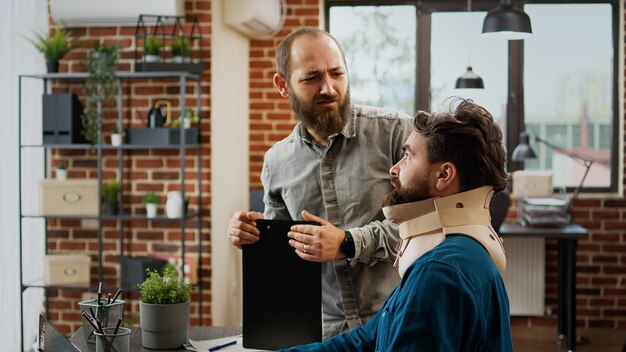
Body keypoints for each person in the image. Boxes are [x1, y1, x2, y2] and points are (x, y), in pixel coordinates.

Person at [281, 98, 513, 351]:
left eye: (408, 157)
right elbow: (365, 341)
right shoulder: (460, 255)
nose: (394, 169)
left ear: (444, 175)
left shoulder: (438, 272)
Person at [227, 27, 413, 338]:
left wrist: (347, 242)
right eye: (312, 78)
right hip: (324, 333)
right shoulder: (277, 162)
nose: (328, 88)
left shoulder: (395, 133)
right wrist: (253, 235)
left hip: (396, 321)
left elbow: (423, 226)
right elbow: (285, 252)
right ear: (283, 86)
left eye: (337, 74)